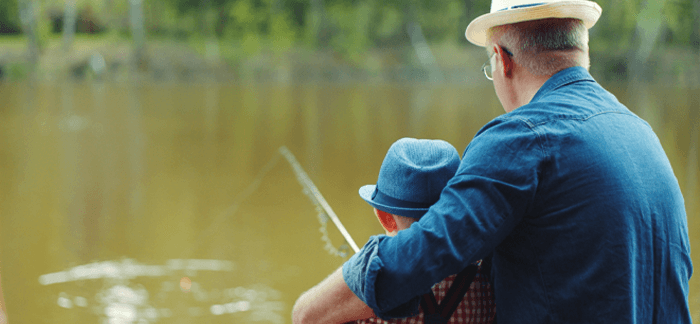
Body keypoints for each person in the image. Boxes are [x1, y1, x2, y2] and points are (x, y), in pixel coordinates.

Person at [293, 0, 693, 323]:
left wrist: (309, 311)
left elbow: (424, 252)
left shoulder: (522, 137)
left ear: (502, 60)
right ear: (581, 49)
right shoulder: (642, 133)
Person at [293, 138, 496, 324]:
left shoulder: (371, 286)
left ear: (385, 217)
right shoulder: (488, 278)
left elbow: (301, 316)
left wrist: (359, 267)